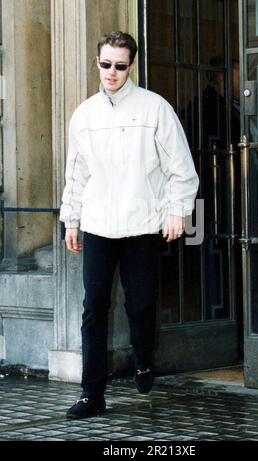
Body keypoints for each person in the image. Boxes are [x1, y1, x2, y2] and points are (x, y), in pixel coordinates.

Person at [59, 31, 199, 419]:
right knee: (94, 308)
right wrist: (71, 219)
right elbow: (76, 173)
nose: (112, 72)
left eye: (120, 66)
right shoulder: (84, 114)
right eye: (105, 64)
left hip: (142, 225)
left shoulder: (155, 108)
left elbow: (182, 170)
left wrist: (178, 211)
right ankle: (91, 393)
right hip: (98, 224)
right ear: (97, 62)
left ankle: (142, 359)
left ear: (131, 66)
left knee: (140, 305)